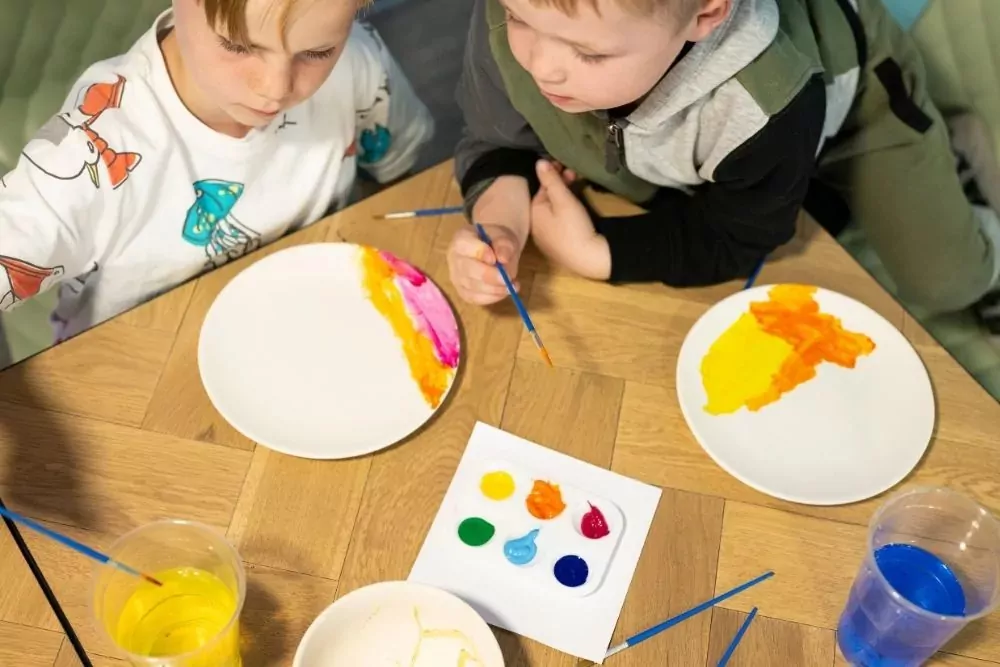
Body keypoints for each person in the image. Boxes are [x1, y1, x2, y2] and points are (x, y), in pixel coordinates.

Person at [446, 0, 1000, 331]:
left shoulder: (763, 98)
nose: (541, 66)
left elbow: (743, 236)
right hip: (737, 149)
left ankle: (956, 164)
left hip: (859, 111)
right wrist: (500, 224)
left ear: (707, 12)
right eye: (518, 18)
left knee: (949, 280)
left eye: (589, 54)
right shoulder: (541, 12)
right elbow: (496, 137)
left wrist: (602, 253)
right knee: (792, 198)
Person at [0, 0, 433, 340]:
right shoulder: (91, 153)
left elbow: (404, 183)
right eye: (240, 45)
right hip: (138, 381)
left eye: (317, 51)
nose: (276, 88)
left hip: (315, 328)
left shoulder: (357, 63)